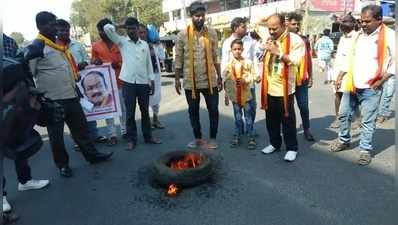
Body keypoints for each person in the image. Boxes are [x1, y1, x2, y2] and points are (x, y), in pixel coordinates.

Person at [29, 11, 113, 177]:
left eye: (55, 24)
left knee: (81, 131)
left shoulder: (60, 46)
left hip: (71, 96)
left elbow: (69, 70)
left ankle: (93, 156)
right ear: (40, 26)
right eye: (51, 25)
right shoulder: (36, 47)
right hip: (52, 100)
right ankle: (63, 165)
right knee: (57, 137)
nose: (55, 28)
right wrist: (36, 99)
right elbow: (29, 74)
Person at [332, 5, 395, 165]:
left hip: (371, 87)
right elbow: (350, 58)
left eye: (367, 21)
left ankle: (365, 150)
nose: (363, 24)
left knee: (367, 121)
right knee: (344, 114)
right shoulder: (358, 35)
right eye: (361, 21)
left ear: (379, 20)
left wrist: (381, 81)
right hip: (352, 83)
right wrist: (340, 75)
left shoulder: (389, 36)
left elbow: (395, 63)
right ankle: (344, 140)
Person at [2, 34, 50, 214]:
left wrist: (29, 89)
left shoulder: (8, 41)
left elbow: (22, 67)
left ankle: (25, 180)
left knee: (20, 141)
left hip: (16, 101)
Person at [103, 17, 161, 150]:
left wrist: (151, 80)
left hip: (142, 82)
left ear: (137, 28)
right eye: (128, 28)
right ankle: (131, 140)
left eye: (133, 28)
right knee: (129, 113)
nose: (131, 31)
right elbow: (107, 28)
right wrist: (119, 25)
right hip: (128, 82)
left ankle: (148, 136)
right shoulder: (122, 42)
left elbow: (148, 65)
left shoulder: (144, 45)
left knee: (145, 111)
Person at [174, 1, 222, 149]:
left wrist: (219, 76)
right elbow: (178, 58)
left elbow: (216, 56)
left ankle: (213, 138)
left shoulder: (212, 33)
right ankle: (198, 138)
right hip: (190, 82)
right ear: (191, 16)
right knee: (193, 111)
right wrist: (176, 79)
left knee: (213, 110)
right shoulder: (182, 35)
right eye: (197, 16)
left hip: (210, 80)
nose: (200, 18)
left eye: (202, 16)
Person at [259, 13, 305, 162]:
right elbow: (256, 23)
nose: (271, 32)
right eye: (269, 29)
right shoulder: (270, 39)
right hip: (269, 87)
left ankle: (292, 148)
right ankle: (274, 143)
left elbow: (296, 61)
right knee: (271, 120)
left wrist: (278, 53)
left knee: (287, 120)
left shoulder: (295, 40)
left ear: (284, 25)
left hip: (285, 89)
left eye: (274, 28)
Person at [55, 19, 108, 145]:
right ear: (56, 31)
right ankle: (79, 142)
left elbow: (88, 60)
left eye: (66, 30)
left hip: (84, 82)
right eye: (61, 30)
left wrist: (85, 63)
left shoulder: (77, 45)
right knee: (75, 116)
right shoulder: (55, 48)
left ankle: (95, 136)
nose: (64, 32)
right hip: (67, 86)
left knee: (89, 109)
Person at [221, 17, 258, 137]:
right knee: (237, 110)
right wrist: (224, 81)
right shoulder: (227, 43)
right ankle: (239, 130)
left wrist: (256, 75)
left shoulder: (250, 40)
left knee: (251, 107)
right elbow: (224, 63)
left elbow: (254, 59)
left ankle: (250, 129)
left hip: (248, 82)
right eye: (243, 26)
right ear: (235, 28)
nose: (246, 28)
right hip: (234, 83)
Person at [91, 18, 125, 144]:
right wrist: (95, 62)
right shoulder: (96, 46)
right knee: (108, 110)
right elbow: (93, 62)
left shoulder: (121, 42)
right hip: (105, 85)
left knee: (123, 109)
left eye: (104, 30)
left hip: (121, 81)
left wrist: (119, 64)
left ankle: (125, 131)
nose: (102, 33)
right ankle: (112, 135)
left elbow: (128, 59)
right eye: (100, 30)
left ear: (111, 29)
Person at [224, 39, 259, 150]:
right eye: (235, 49)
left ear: (243, 50)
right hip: (235, 97)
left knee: (248, 118)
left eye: (239, 49)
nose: (237, 51)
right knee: (238, 117)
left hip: (246, 96)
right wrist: (226, 95)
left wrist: (246, 79)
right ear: (231, 51)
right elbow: (227, 81)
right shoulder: (228, 65)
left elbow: (254, 75)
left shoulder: (248, 62)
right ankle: (238, 135)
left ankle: (251, 137)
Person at [286, 12, 315, 141]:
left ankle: (307, 128)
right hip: (287, 79)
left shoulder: (304, 40)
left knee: (303, 106)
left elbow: (308, 59)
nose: (296, 26)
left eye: (298, 24)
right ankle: (289, 130)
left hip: (302, 78)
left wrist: (311, 76)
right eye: (293, 24)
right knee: (288, 107)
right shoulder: (282, 40)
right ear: (286, 24)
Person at [329, 14, 361, 129]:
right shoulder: (343, 37)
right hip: (337, 71)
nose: (343, 24)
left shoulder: (358, 37)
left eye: (346, 21)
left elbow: (350, 59)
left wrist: (340, 76)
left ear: (353, 23)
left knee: (351, 96)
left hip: (348, 73)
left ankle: (357, 119)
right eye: (342, 21)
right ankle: (338, 118)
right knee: (337, 94)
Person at [138, 24, 166, 129]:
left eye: (144, 32)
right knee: (147, 99)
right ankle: (148, 121)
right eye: (140, 32)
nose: (142, 35)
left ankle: (156, 118)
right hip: (143, 76)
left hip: (156, 74)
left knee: (157, 97)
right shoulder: (136, 45)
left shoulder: (154, 44)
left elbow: (162, 56)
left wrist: (158, 46)